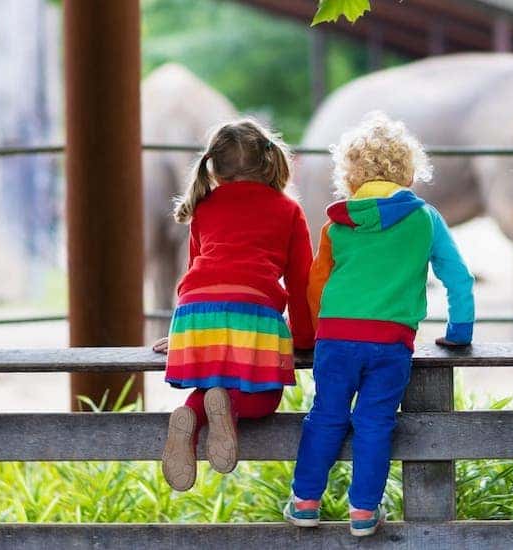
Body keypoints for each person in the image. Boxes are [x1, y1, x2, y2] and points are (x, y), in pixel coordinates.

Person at [283, 112, 474, 536]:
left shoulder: (338, 224)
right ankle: (364, 512)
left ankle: (305, 502)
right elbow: (457, 277)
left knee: (326, 416)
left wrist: (315, 334)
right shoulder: (424, 218)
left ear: (350, 174)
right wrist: (460, 332)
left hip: (335, 338)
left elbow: (317, 284)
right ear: (408, 169)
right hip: (391, 342)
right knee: (375, 422)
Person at [152, 119, 314, 492]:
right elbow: (302, 280)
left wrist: (180, 334)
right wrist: (304, 339)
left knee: (211, 385)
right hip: (253, 311)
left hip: (194, 315)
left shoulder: (204, 207)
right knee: (264, 398)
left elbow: (196, 273)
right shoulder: (287, 210)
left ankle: (190, 416)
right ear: (270, 162)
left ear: (215, 168)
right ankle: (230, 406)